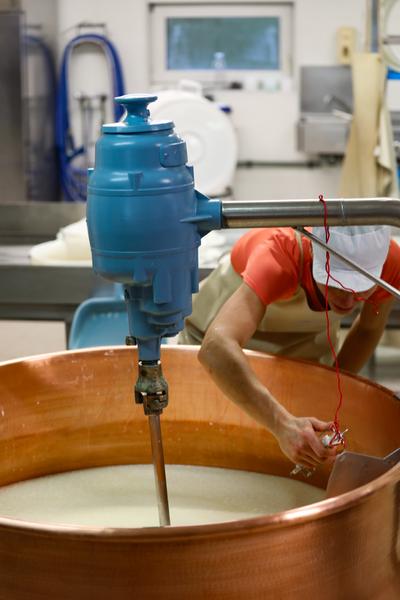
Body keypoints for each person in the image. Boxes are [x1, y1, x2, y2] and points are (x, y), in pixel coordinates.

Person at [178, 225, 400, 469]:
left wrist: (331, 398)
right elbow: (216, 349)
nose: (347, 301)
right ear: (315, 259)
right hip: (222, 346)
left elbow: (367, 330)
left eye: (359, 289)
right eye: (335, 285)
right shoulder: (278, 255)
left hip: (304, 348)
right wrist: (282, 424)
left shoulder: (388, 262)